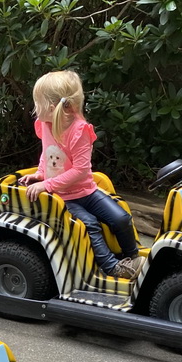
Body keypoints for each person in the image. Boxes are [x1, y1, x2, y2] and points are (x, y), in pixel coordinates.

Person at [19, 70, 140, 278]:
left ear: (50, 107)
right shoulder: (45, 125)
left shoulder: (79, 131)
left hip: (85, 191)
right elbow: (47, 154)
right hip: (63, 197)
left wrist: (47, 184)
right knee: (89, 225)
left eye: (37, 103)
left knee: (121, 218)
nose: (34, 108)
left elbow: (80, 170)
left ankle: (132, 257)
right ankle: (112, 267)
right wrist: (40, 174)